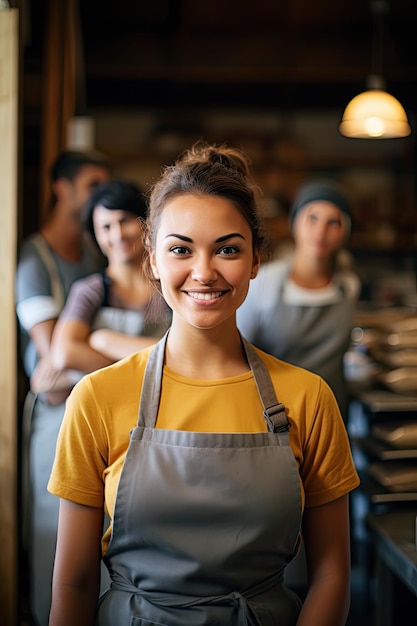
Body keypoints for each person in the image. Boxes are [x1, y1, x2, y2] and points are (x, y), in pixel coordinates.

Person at [48, 142, 359, 626]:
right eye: (180, 249)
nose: (204, 272)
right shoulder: (97, 398)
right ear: (152, 259)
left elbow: (333, 574)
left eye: (228, 249)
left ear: (256, 260)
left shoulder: (309, 398)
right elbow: (73, 583)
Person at [15, 150, 110, 626]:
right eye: (92, 185)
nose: (99, 198)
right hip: (54, 420)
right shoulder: (35, 261)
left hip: (99, 413)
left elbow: (70, 357)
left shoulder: (95, 256)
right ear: (62, 188)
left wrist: (86, 349)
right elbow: (54, 359)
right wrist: (137, 358)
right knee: (55, 542)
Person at [237, 178, 361, 423]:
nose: (320, 231)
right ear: (295, 223)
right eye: (312, 218)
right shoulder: (263, 283)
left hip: (331, 415)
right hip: (276, 417)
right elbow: (238, 357)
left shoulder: (348, 286)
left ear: (344, 232)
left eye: (332, 222)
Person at [44, 178, 170, 381]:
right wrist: (140, 372)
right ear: (94, 236)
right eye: (105, 227)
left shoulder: (168, 284)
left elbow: (188, 353)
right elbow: (65, 352)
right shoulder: (90, 290)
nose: (117, 235)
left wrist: (103, 341)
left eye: (124, 221)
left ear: (146, 223)